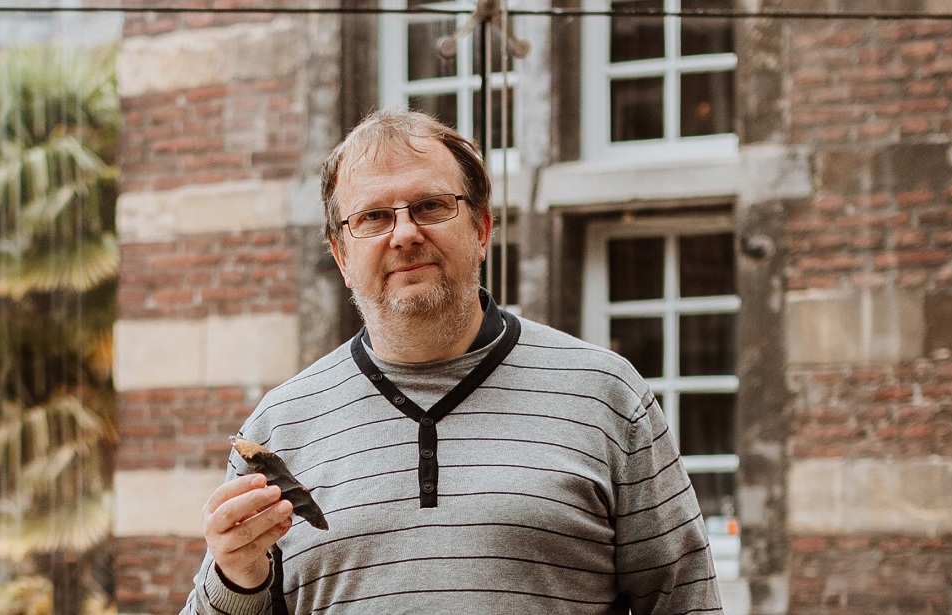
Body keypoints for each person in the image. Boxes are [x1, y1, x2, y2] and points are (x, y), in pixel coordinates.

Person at [180, 108, 723, 614]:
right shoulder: (280, 426)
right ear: (342, 256)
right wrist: (234, 577)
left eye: (431, 206)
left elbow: (687, 600)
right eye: (372, 216)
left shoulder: (606, 395)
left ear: (482, 229)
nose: (406, 234)